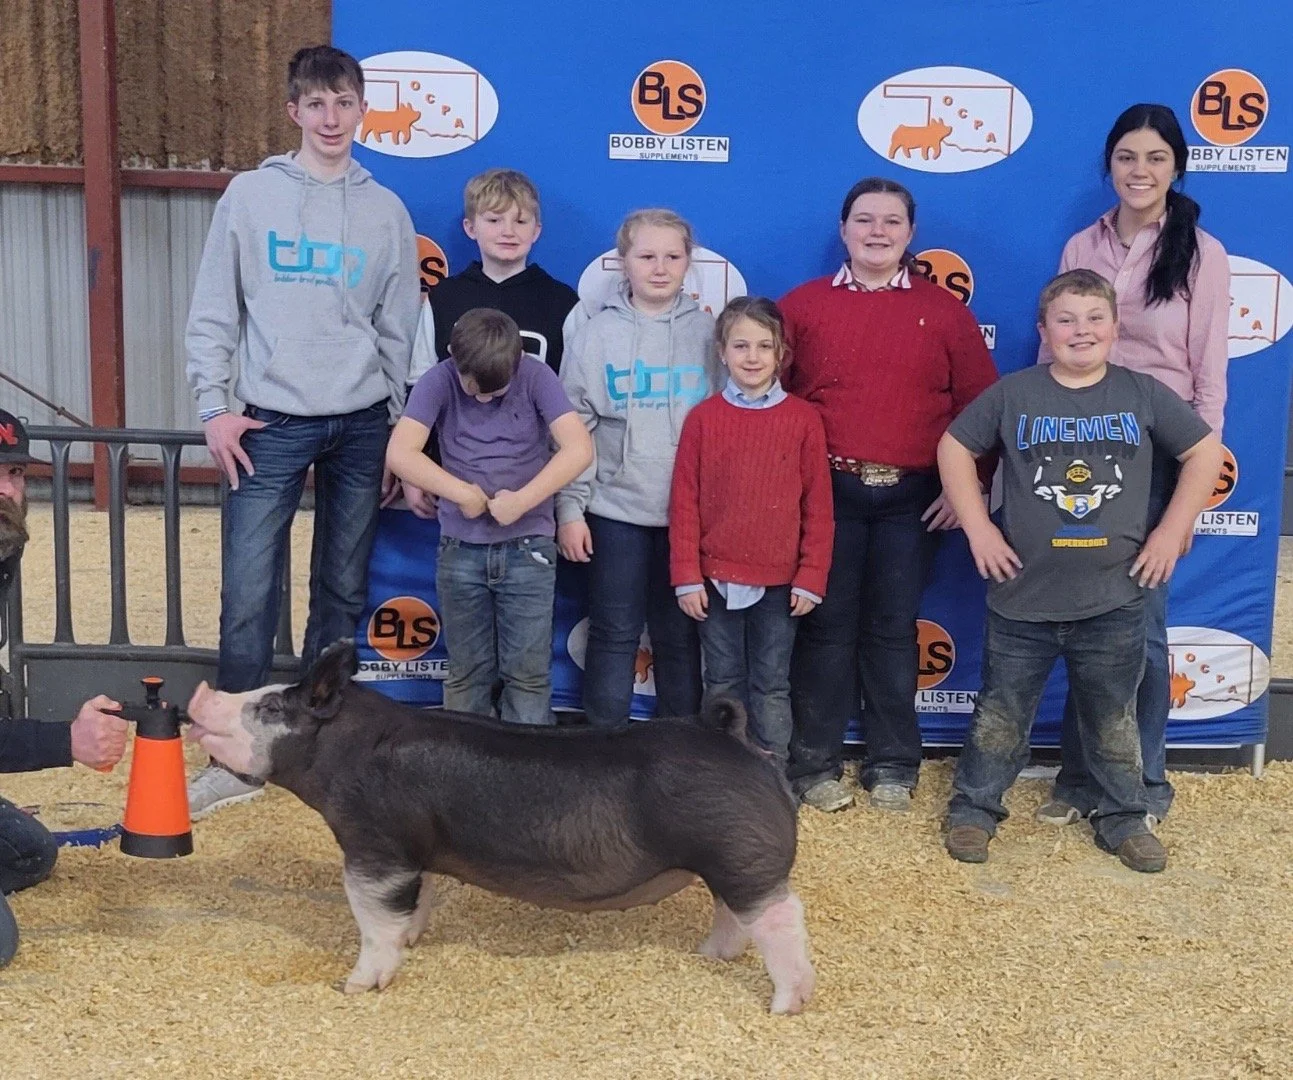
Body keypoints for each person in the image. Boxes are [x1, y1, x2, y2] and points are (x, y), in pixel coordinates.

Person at [183, 45, 421, 816]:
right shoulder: (250, 197)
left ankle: (322, 743)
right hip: (269, 421)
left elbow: (398, 329)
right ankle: (234, 753)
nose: (330, 117)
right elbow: (216, 306)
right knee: (250, 589)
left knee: (343, 586)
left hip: (359, 424)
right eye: (315, 104)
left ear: (361, 111)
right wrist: (213, 406)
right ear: (293, 111)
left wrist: (395, 426)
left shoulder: (385, 211)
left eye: (344, 103)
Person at [939, 269, 1222, 872]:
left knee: (1113, 716)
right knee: (1001, 714)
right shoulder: (1015, 394)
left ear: (1117, 328)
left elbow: (1204, 453)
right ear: (1044, 331)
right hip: (1022, 599)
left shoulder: (1142, 393)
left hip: (1116, 597)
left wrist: (1172, 530)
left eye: (1095, 318)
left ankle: (1123, 815)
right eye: (1065, 319)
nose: (1081, 330)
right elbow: (955, 447)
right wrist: (979, 527)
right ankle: (974, 809)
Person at [1037, 104, 1230, 830]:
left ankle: (1143, 783)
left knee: (1140, 628)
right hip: (1079, 450)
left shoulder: (1201, 253)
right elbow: (1050, 354)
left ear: (1175, 166)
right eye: (1126, 157)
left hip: (1156, 453)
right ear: (1108, 166)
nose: (1139, 171)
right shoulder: (1078, 247)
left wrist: (1194, 484)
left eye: (1154, 157)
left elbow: (1209, 380)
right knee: (1074, 617)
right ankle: (1079, 775)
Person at [779, 177, 998, 814]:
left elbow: (982, 409)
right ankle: (813, 764)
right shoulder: (803, 306)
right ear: (843, 229)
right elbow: (776, 401)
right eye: (865, 220)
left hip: (912, 499)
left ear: (910, 234)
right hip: (830, 494)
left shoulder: (945, 312)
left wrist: (971, 490)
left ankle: (894, 764)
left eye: (892, 222)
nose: (878, 232)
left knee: (892, 630)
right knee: (824, 628)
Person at [386, 309, 592, 724]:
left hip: (528, 548)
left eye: (497, 392)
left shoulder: (535, 376)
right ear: (452, 357)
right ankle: (466, 775)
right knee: (466, 674)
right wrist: (459, 492)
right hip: (461, 549)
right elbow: (400, 453)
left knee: (528, 676)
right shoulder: (438, 380)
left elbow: (579, 448)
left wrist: (524, 499)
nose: (484, 398)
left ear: (517, 361)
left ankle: (527, 776)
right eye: (475, 389)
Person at [556, 209, 718, 727]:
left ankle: (681, 756)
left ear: (689, 262)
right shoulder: (594, 335)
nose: (660, 267)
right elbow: (571, 432)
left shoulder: (713, 335)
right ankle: (605, 756)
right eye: (646, 256)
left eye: (673, 256)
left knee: (678, 637)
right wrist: (569, 509)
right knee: (613, 633)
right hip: (615, 511)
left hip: (688, 518)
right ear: (622, 261)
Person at [669, 297, 833, 767]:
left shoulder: (803, 420)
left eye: (765, 346)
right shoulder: (703, 419)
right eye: (741, 345)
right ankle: (722, 776)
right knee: (721, 681)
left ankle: (773, 775)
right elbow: (684, 504)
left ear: (781, 352)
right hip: (714, 580)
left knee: (771, 683)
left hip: (781, 585)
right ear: (721, 351)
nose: (753, 357)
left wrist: (811, 576)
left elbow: (818, 507)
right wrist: (686, 576)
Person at [0, 408, 130, 967]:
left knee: (30, 853)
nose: (8, 490)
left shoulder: (5, 540)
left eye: (16, 474)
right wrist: (65, 742)